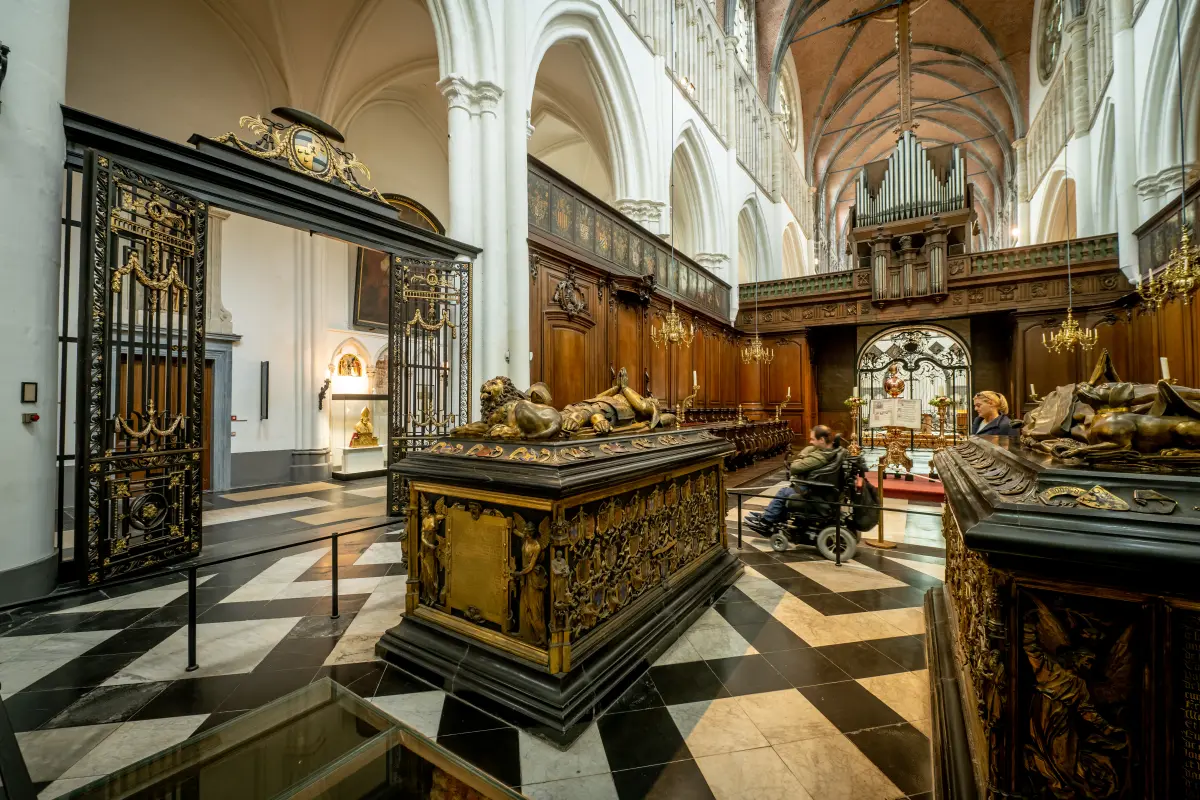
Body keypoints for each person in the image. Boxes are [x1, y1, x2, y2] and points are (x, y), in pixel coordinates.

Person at [748, 425, 839, 530]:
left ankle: (767, 520)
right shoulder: (831, 450)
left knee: (784, 492)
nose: (810, 442)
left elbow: (794, 467)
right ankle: (772, 515)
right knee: (788, 490)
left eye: (813, 439)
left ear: (822, 440)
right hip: (819, 488)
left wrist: (802, 455)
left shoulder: (820, 456)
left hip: (813, 492)